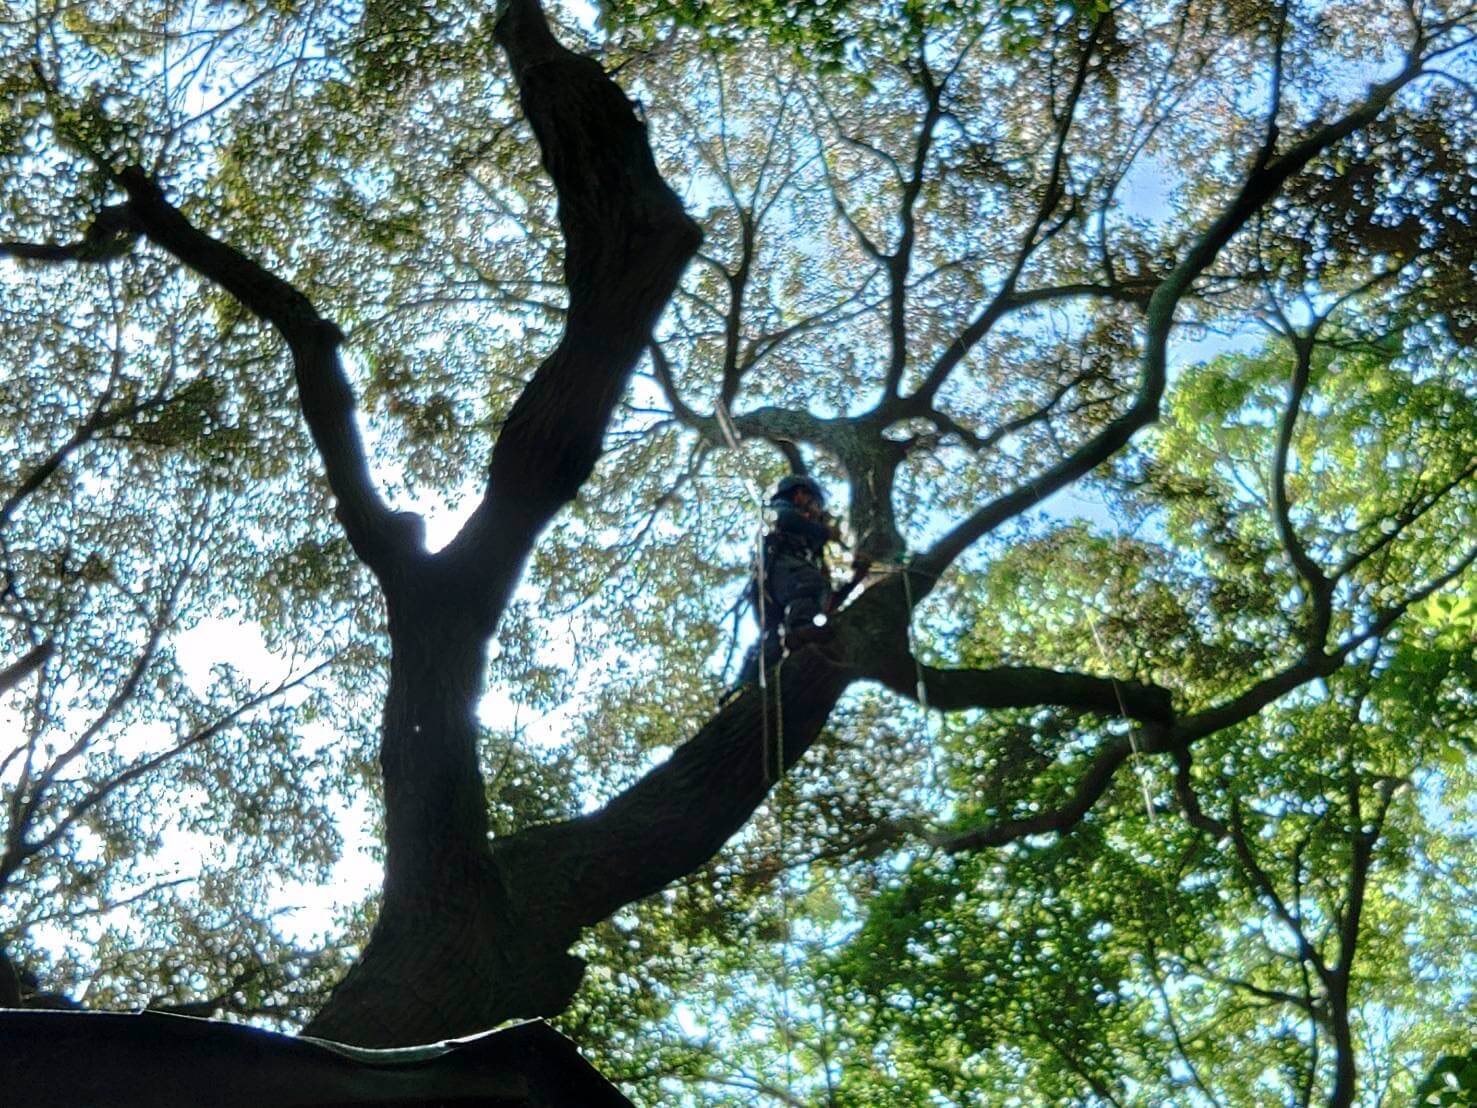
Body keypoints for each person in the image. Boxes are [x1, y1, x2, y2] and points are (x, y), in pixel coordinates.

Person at [729, 475, 840, 694]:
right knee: (812, 584)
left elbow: (813, 546)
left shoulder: (802, 526)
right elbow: (786, 520)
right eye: (813, 502)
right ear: (799, 494)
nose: (814, 509)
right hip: (782, 571)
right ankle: (801, 630)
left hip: (772, 584)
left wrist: (821, 529)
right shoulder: (781, 508)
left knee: (772, 635)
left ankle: (749, 681)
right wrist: (824, 531)